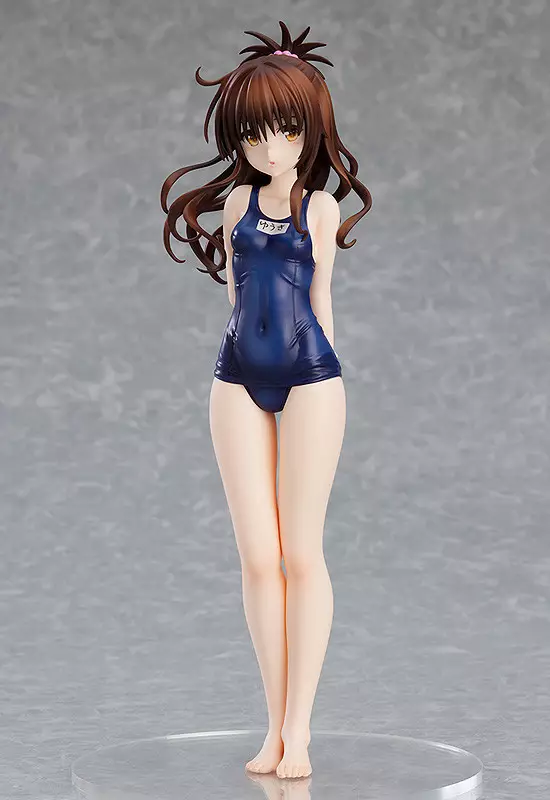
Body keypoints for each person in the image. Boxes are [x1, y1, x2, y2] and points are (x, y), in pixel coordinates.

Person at [161, 19, 372, 779]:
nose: (270, 147)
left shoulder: (319, 208)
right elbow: (235, 297)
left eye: (285, 131)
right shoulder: (236, 206)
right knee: (258, 558)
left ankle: (300, 729)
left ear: (310, 130)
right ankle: (272, 725)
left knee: (300, 554)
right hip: (235, 378)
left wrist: (330, 386)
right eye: (254, 133)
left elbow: (321, 301)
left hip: (311, 376)